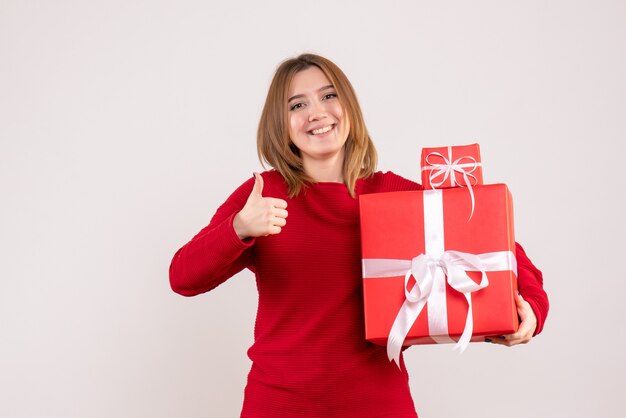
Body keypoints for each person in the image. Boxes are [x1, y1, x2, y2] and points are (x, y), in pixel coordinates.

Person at [169, 53, 549, 418]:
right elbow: (183, 277)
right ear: (279, 124)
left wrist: (531, 305)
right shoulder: (262, 195)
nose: (317, 112)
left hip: (379, 405)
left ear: (348, 107)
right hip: (278, 406)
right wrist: (239, 228)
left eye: (329, 96)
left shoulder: (391, 194)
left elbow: (498, 245)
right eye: (296, 105)